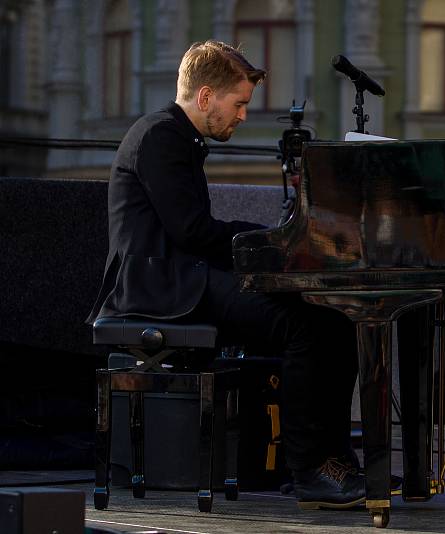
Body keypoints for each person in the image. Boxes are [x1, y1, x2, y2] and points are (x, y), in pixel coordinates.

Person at [86, 40, 364, 509]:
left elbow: (194, 235)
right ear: (205, 96)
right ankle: (309, 469)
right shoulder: (160, 137)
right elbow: (193, 232)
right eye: (238, 104)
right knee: (304, 323)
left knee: (332, 314)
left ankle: (335, 462)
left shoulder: (179, 139)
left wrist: (271, 242)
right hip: (161, 288)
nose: (242, 116)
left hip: (185, 276)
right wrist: (269, 240)